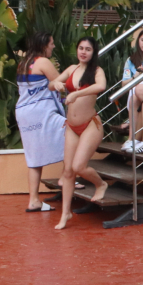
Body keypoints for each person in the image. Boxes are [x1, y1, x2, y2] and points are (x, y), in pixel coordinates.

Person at [51, 37, 109, 230]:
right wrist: (57, 85)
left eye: (88, 49)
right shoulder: (71, 69)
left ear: (94, 52)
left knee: (78, 167)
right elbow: (52, 83)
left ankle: (101, 184)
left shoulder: (96, 71)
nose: (83, 52)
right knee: (68, 171)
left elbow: (101, 87)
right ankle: (65, 213)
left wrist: (76, 93)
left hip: (90, 124)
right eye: (81, 48)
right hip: (71, 126)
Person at [15, 31, 64, 213]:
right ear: (44, 45)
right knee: (74, 133)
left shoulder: (24, 62)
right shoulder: (43, 62)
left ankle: (34, 200)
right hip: (40, 112)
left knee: (34, 159)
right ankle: (65, 178)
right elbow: (60, 82)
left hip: (24, 113)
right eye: (51, 43)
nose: (53, 46)